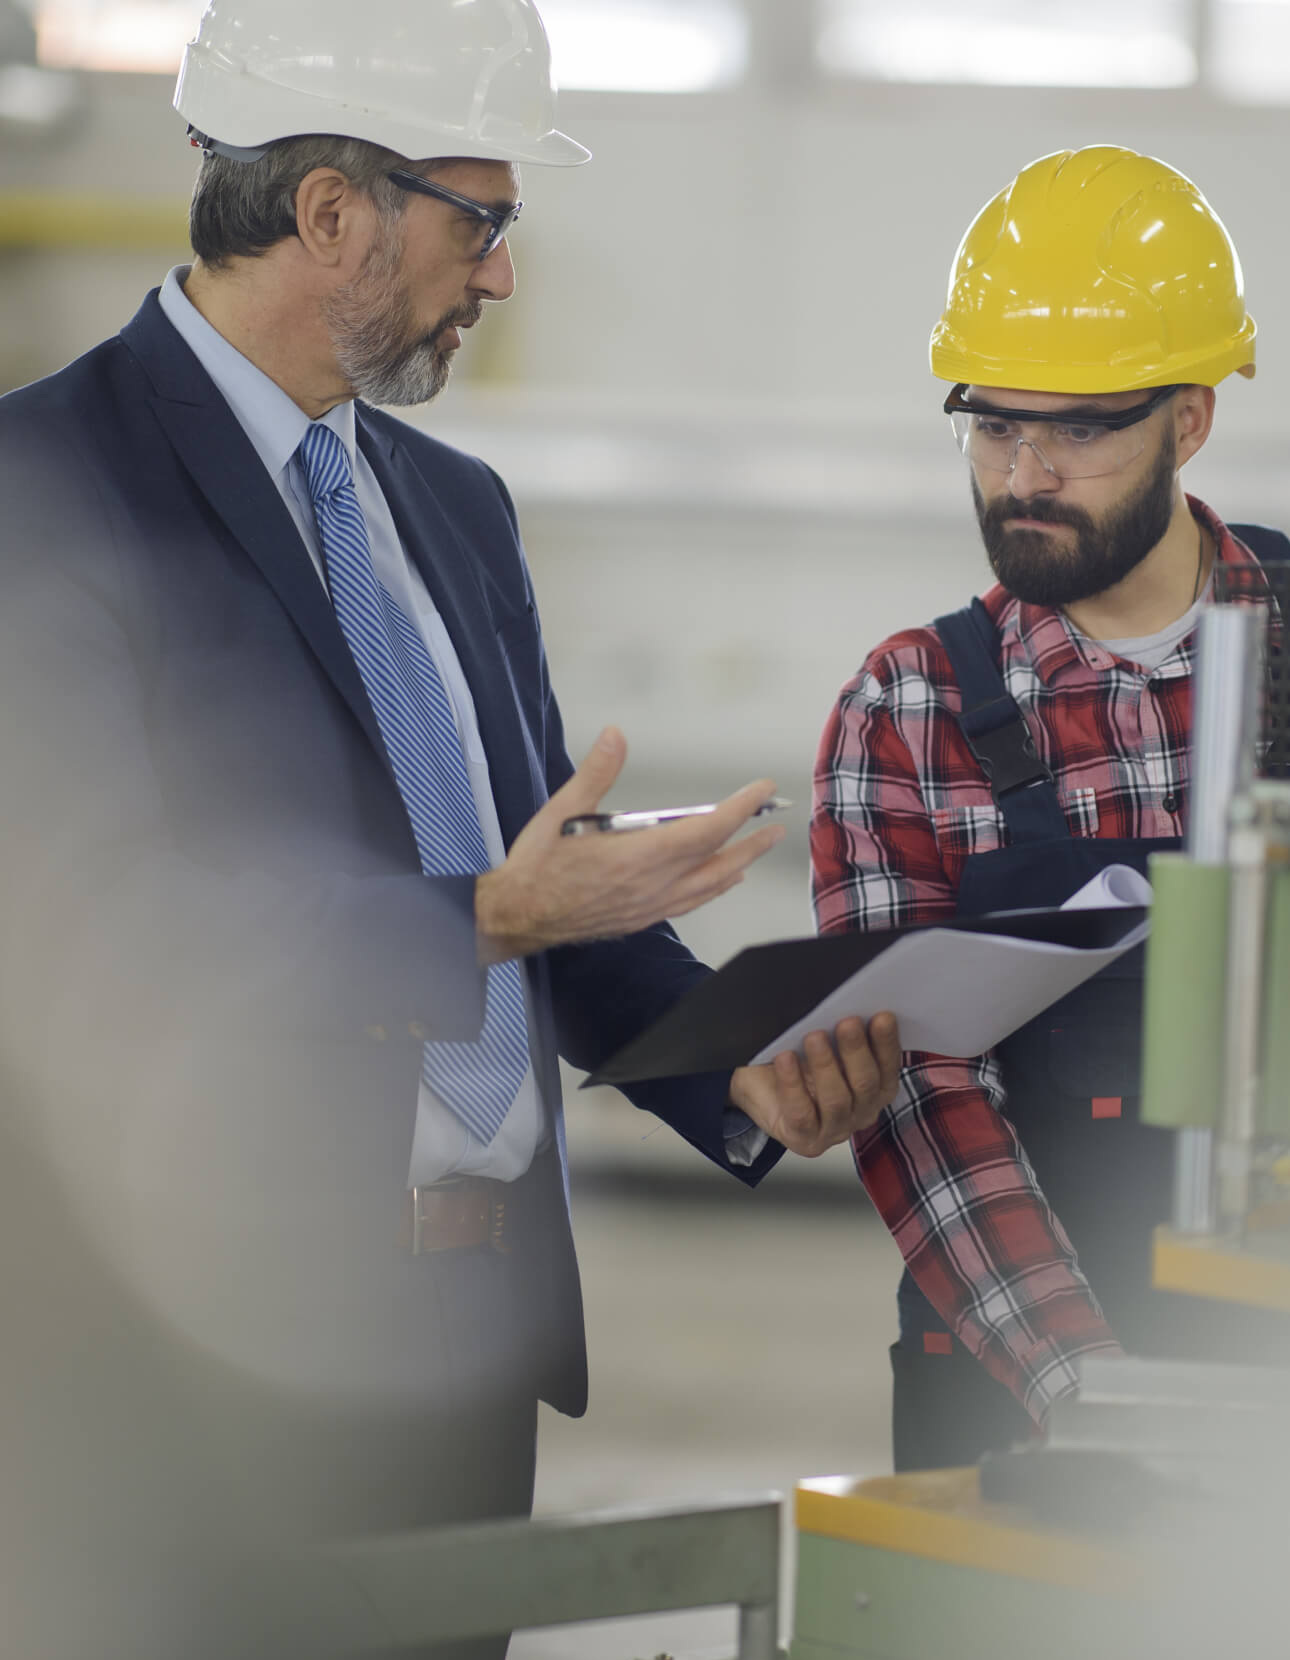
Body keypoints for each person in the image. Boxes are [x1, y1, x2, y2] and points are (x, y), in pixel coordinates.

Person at [0, 1, 902, 1653]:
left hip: (466, 1341)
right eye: (479, 220)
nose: (499, 275)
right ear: (330, 210)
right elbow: (102, 933)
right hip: (196, 1355)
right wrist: (485, 917)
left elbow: (549, 901)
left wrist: (742, 1069)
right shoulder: (45, 491)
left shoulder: (452, 512)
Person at [811, 146, 1287, 1474]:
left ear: (1187, 421)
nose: (1023, 472)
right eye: (992, 425)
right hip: (1018, 1397)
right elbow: (914, 1093)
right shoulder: (905, 707)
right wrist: (1085, 1388)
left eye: (1077, 429)